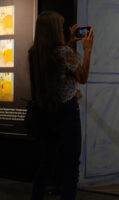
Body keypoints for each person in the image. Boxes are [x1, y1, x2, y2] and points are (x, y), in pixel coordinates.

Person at [29, 11, 94, 200]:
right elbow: (82, 78)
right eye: (60, 27)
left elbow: (56, 68)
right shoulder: (64, 53)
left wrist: (71, 43)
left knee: (45, 163)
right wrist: (87, 50)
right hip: (66, 113)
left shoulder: (35, 53)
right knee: (70, 165)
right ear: (54, 30)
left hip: (44, 113)